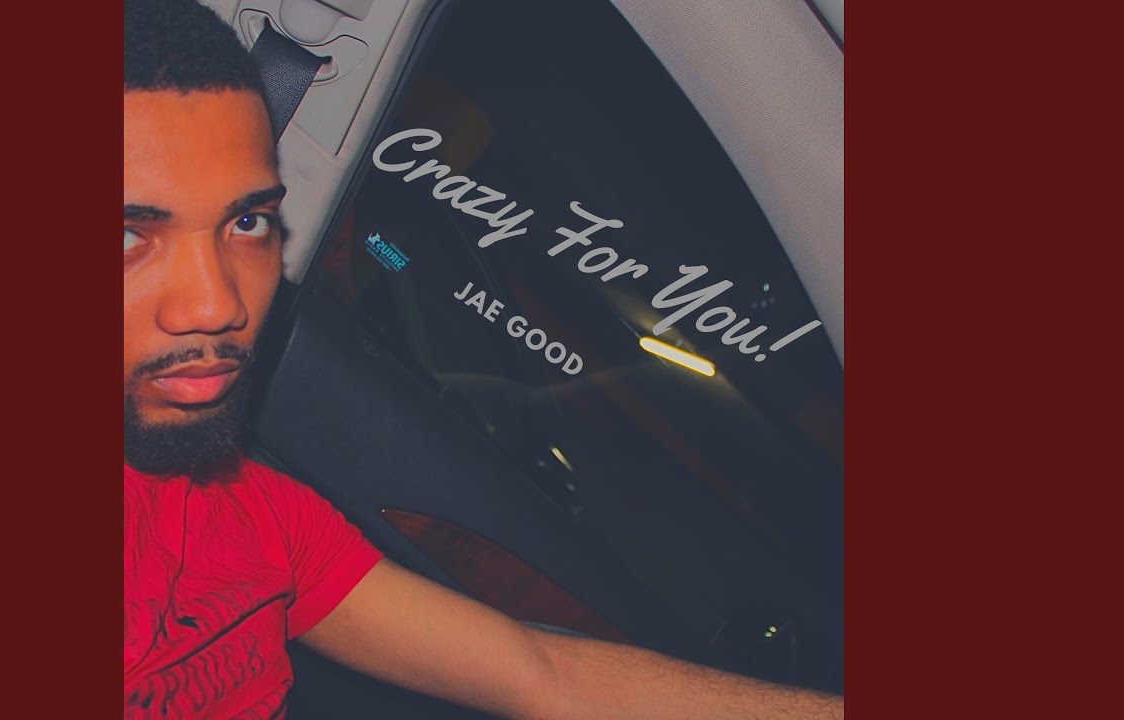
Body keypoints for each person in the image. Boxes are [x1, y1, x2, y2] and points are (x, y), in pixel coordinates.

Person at [123, 0, 845, 717]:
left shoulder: (243, 505)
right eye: (129, 235)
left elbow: (543, 673)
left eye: (247, 222)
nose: (217, 304)